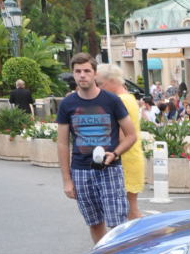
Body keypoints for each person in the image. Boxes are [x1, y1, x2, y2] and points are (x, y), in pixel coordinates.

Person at [56, 53, 137, 243]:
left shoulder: (111, 101)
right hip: (81, 171)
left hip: (110, 169)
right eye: (78, 71)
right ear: (73, 74)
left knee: (117, 223)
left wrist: (115, 153)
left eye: (86, 71)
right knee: (94, 222)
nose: (82, 75)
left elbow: (131, 135)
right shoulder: (67, 104)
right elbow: (62, 143)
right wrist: (67, 180)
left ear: (94, 74)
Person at [94, 64, 145, 222]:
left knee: (130, 212)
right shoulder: (129, 98)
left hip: (124, 158)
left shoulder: (119, 101)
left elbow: (121, 135)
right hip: (131, 155)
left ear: (111, 81)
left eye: (100, 84)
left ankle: (140, 243)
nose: (98, 88)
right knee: (131, 209)